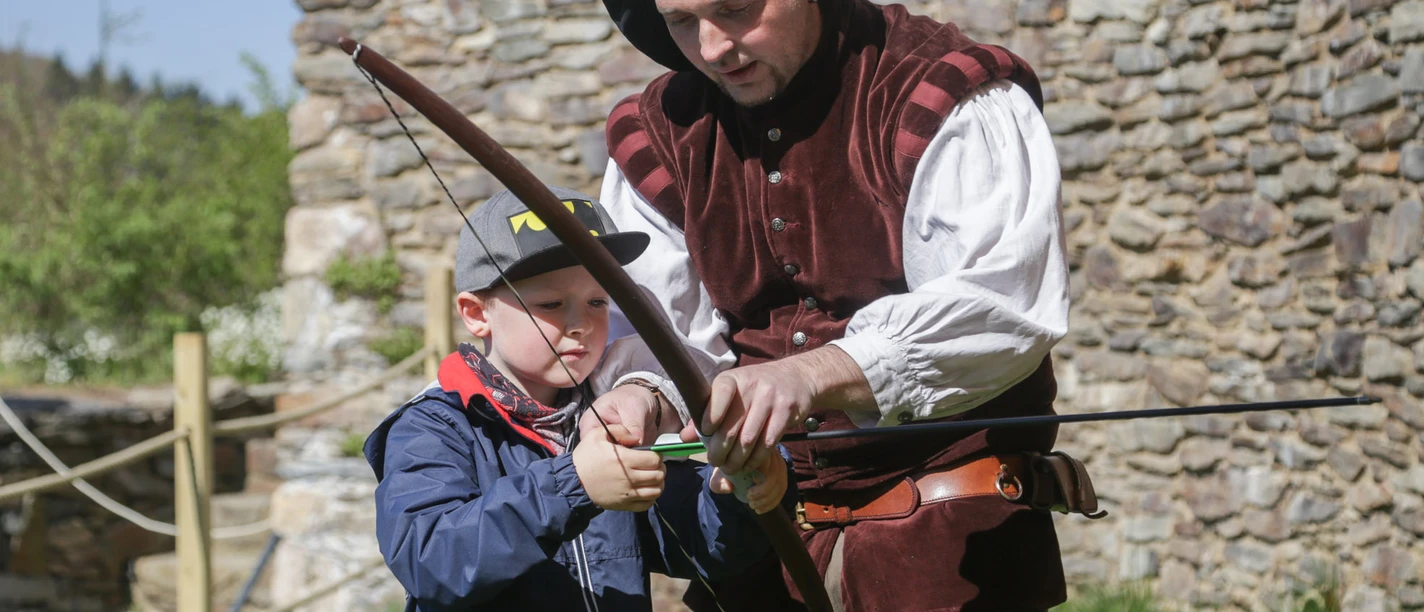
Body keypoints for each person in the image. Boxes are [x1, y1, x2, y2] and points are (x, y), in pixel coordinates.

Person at [582, 0, 1093, 610]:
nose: (713, 47)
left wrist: (813, 372)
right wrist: (644, 394)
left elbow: (1001, 305)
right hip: (760, 543)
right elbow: (665, 336)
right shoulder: (662, 134)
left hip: (949, 544)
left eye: (737, 8)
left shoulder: (939, 92)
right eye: (681, 22)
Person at [362, 186, 794, 611]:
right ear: (477, 314)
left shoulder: (606, 411)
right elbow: (433, 562)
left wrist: (732, 495)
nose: (580, 324)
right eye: (551, 303)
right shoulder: (432, 426)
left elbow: (699, 546)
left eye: (597, 301)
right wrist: (575, 484)